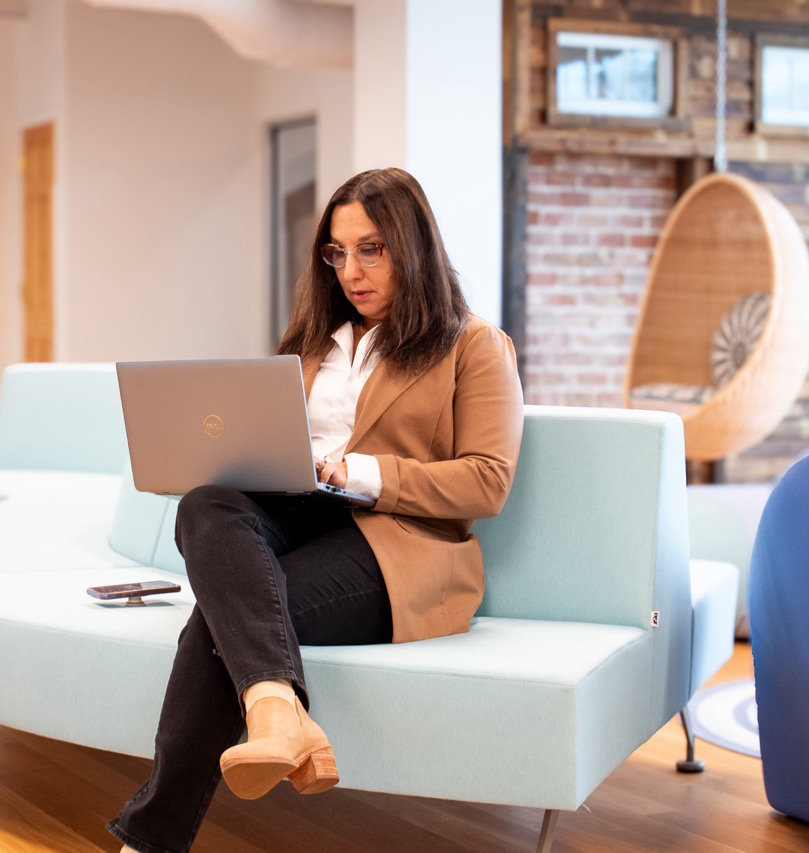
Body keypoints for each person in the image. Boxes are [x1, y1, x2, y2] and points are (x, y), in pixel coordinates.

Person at [107, 167, 525, 853]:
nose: (351, 270)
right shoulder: (311, 343)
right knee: (206, 501)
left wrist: (360, 473)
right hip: (296, 517)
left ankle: (153, 837)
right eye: (337, 252)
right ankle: (277, 709)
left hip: (398, 546)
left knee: (223, 618)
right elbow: (263, 442)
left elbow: (487, 482)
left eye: (371, 249)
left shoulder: (473, 345)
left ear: (412, 246)